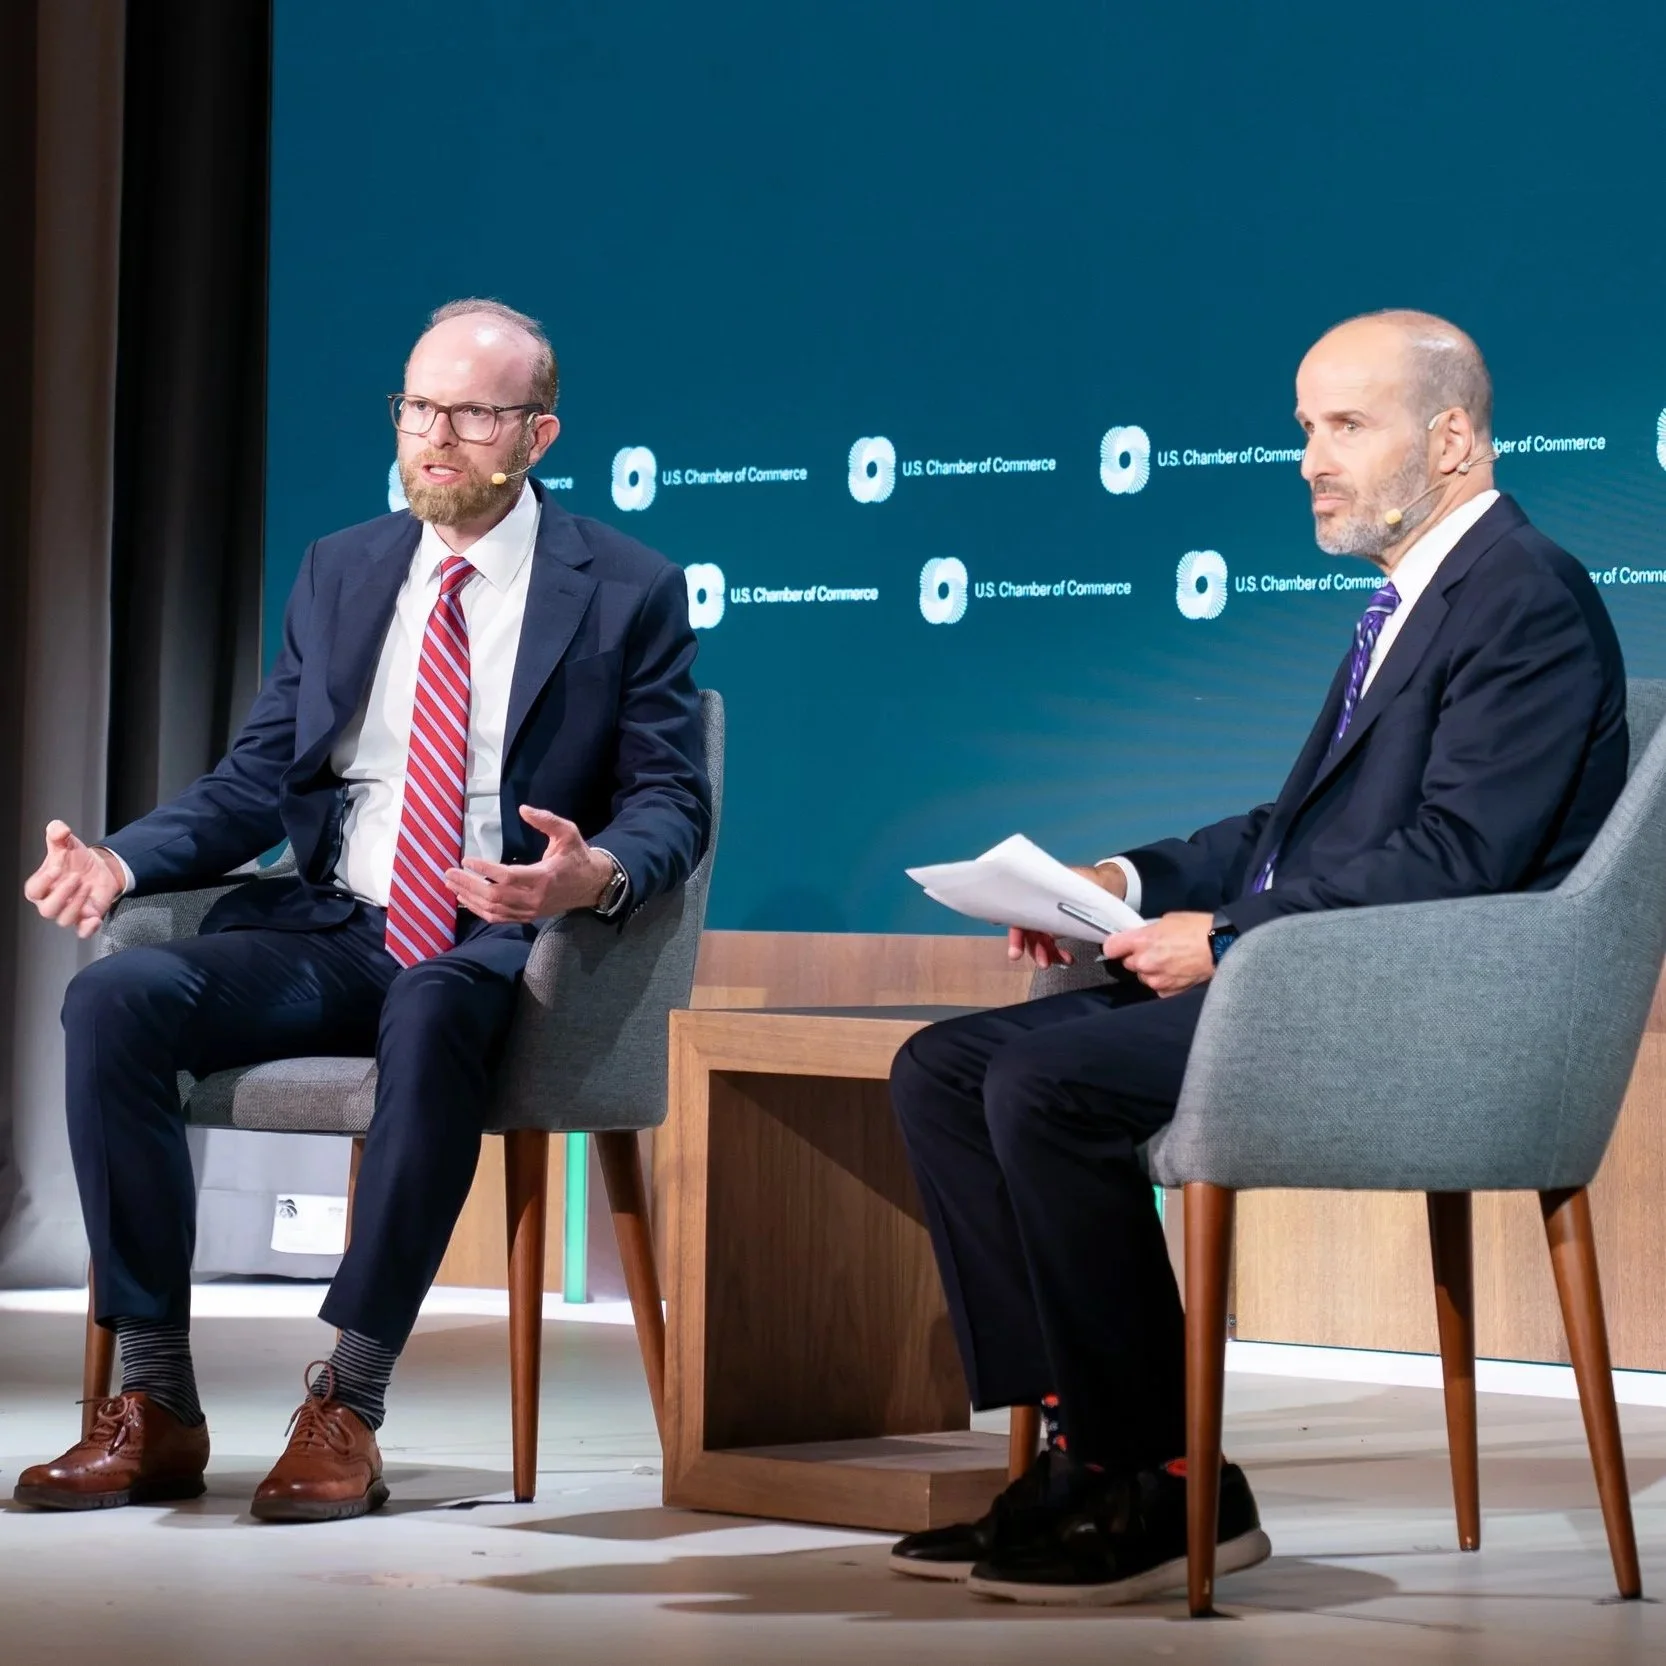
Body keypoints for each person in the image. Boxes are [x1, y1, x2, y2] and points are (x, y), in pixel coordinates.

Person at [888, 310, 1627, 1605]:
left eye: (1345, 425)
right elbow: (1291, 835)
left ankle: (1166, 1475)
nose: (1309, 460)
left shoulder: (1522, 596)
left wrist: (1230, 938)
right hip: (1322, 981)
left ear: (1451, 438)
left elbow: (1460, 855)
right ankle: (1085, 1449)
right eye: (1303, 428)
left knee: (1044, 1086)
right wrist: (1118, 884)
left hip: (1414, 1015)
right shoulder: (1418, 599)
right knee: (942, 1069)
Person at [16, 298, 710, 1521]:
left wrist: (588, 873)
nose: (436, 436)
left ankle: (349, 1402)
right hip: (342, 925)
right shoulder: (342, 569)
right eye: (418, 407)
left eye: (475, 414)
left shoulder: (626, 587)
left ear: (538, 433)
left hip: (499, 936)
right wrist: (121, 864)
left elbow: (671, 797)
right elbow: (254, 780)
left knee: (435, 1004)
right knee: (116, 998)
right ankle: (155, 1399)